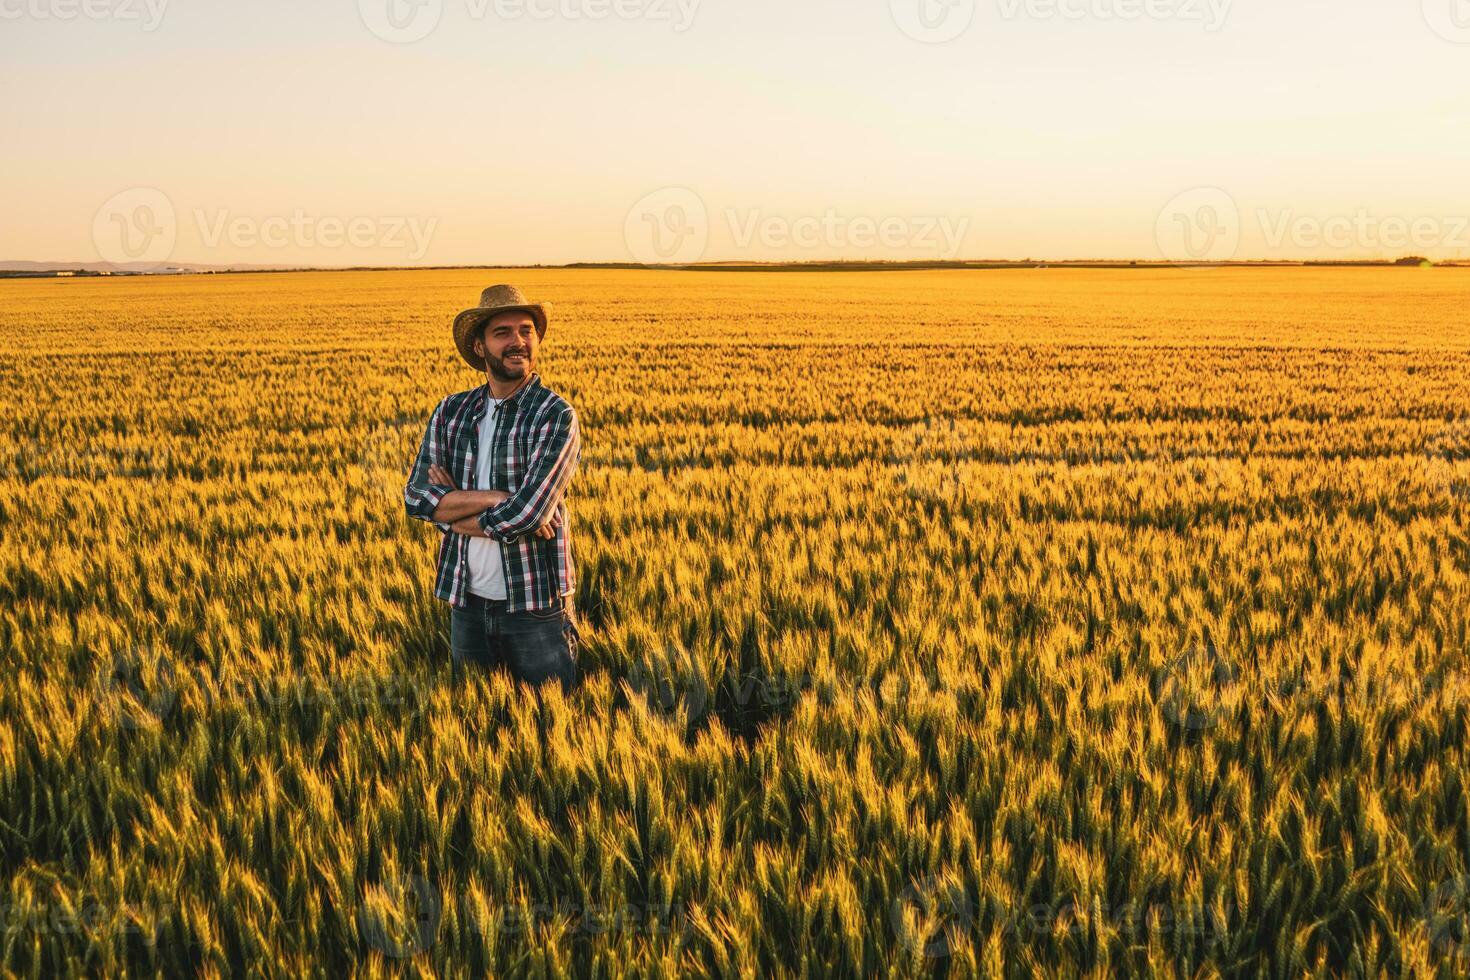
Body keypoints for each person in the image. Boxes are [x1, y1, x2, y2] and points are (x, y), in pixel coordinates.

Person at [404, 285, 581, 690]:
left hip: (536, 607)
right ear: (480, 347)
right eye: (503, 332)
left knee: (548, 729)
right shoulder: (451, 412)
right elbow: (416, 498)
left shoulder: (554, 415)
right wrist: (498, 499)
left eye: (526, 331)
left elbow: (530, 514)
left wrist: (451, 513)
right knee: (474, 725)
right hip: (466, 602)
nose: (518, 341)